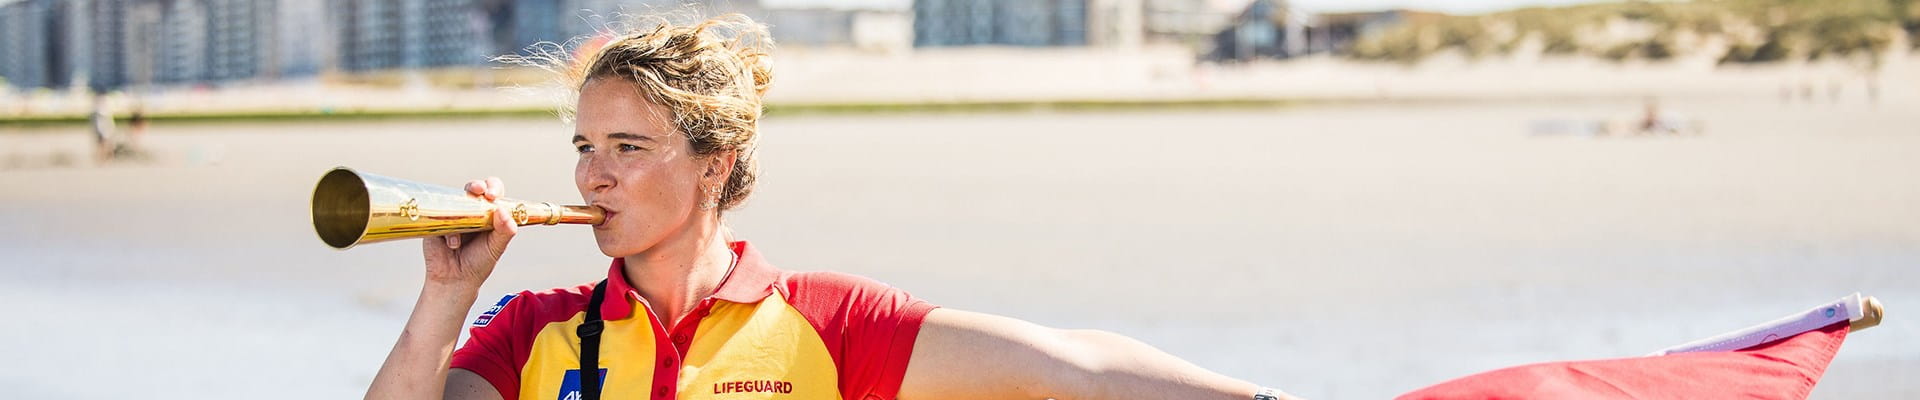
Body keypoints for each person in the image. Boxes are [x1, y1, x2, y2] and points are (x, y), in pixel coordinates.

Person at [364, 14, 1299, 400]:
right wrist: (446, 295)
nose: (591, 178)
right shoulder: (532, 333)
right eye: (583, 148)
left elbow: (1076, 370)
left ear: (711, 167)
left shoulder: (831, 321)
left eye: (628, 148)